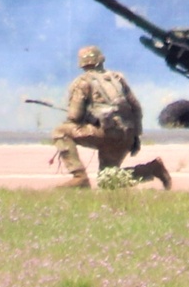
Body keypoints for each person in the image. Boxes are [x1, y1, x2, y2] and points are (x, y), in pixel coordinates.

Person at [52, 46, 171, 190]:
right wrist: (135, 136)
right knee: (108, 180)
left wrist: (82, 119)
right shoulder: (117, 78)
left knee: (61, 132)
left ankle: (79, 176)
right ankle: (152, 169)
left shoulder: (82, 82)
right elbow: (136, 108)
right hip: (126, 135)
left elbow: (74, 116)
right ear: (100, 60)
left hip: (105, 133)